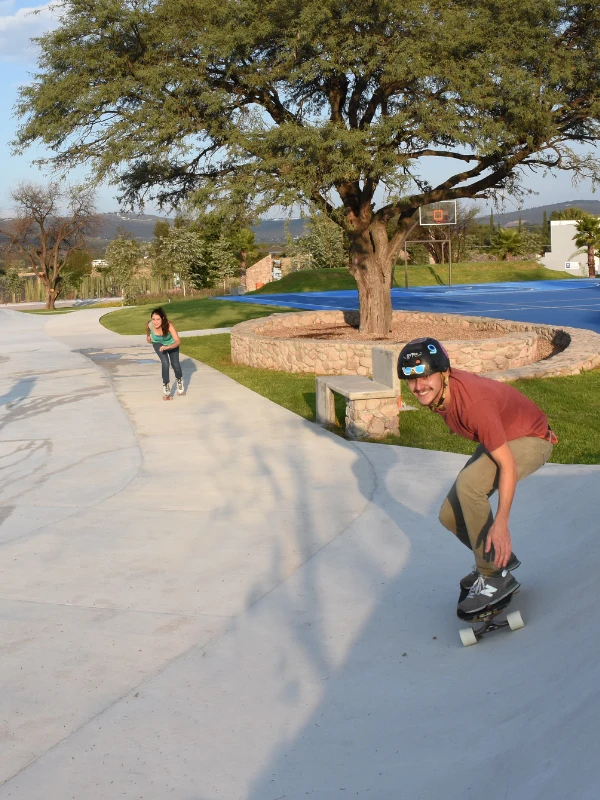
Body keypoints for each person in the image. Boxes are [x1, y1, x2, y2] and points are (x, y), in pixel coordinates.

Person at [397, 337, 557, 618]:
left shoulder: (473, 404)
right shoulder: (445, 394)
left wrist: (502, 524)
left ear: (444, 373)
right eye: (411, 380)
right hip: (503, 436)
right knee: (449, 514)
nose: (418, 387)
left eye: (425, 377)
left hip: (532, 439)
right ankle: (496, 558)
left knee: (469, 485)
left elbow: (506, 465)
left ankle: (494, 577)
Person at [146, 307, 185, 400]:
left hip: (172, 344)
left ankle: (179, 380)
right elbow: (147, 327)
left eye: (158, 319)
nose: (155, 322)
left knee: (175, 365)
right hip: (158, 343)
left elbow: (178, 341)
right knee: (165, 363)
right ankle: (166, 387)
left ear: (162, 319)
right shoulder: (150, 324)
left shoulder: (168, 325)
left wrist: (168, 347)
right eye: (153, 319)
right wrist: (148, 336)